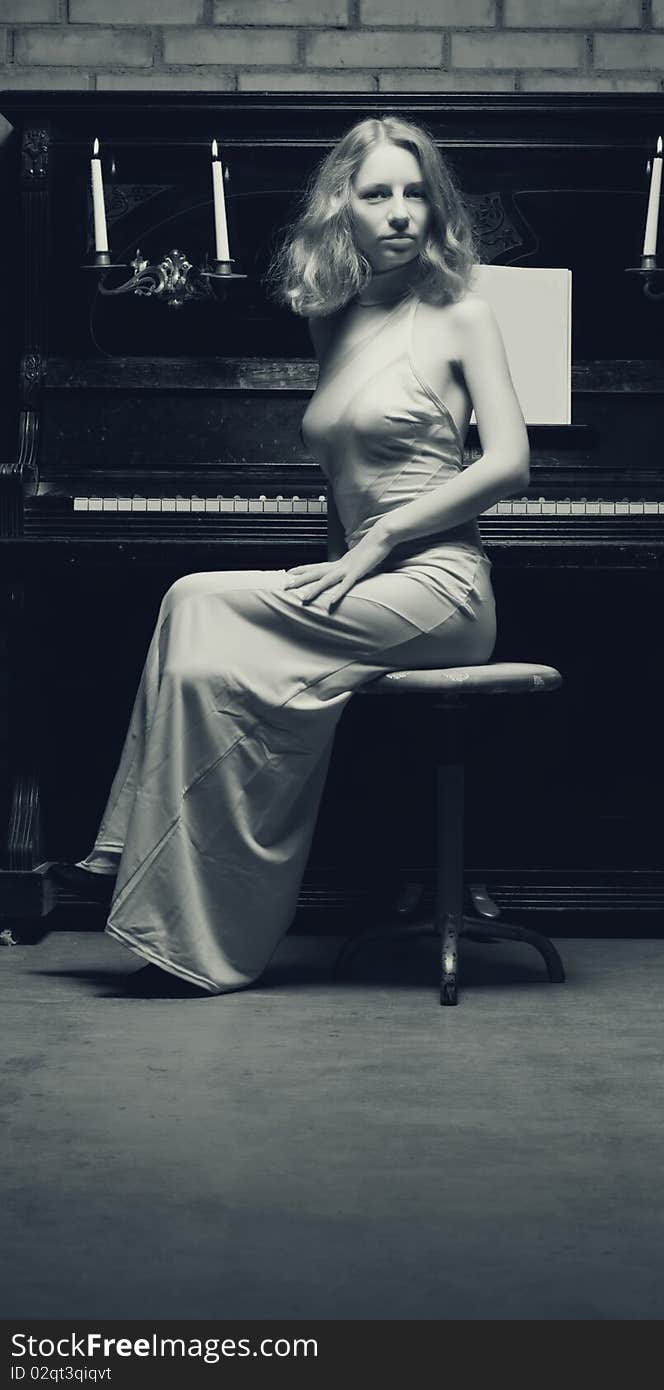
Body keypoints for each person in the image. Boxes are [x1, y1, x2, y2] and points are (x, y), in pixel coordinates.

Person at [49, 114, 530, 997]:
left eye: (414, 193)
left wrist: (381, 539)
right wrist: (338, 555)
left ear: (437, 207)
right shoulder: (332, 320)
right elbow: (343, 475)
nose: (398, 213)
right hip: (369, 584)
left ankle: (124, 847)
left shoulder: (464, 312)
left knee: (196, 596)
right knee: (199, 666)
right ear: (340, 206)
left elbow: (510, 463)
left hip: (442, 589)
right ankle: (176, 926)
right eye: (376, 193)